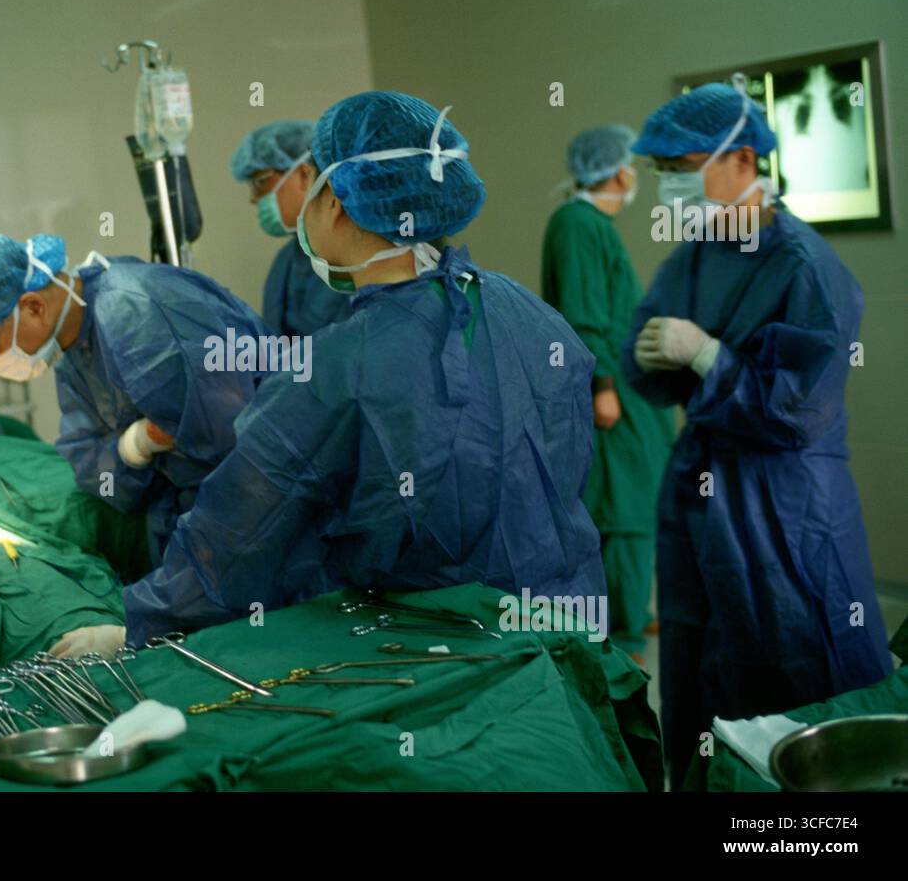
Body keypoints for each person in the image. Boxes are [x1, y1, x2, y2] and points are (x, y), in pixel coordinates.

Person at [58, 91, 606, 654]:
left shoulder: (337, 366)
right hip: (562, 637)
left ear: (337, 201)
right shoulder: (529, 313)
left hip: (438, 660)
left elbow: (241, 537)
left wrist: (143, 623)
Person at [621, 82, 893, 787]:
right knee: (697, 670)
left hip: (785, 506)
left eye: (680, 167)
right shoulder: (694, 255)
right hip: (700, 499)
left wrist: (710, 358)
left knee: (796, 662)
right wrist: (656, 354)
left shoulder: (807, 267)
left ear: (743, 159)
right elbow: (646, 357)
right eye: (660, 173)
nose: (668, 187)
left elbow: (799, 410)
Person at [0, 234, 272, 578]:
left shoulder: (136, 313)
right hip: (190, 523)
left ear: (34, 307)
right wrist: (135, 445)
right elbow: (89, 462)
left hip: (259, 521)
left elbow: (237, 455)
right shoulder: (74, 354)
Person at [540, 125, 675, 658]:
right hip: (612, 389)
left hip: (630, 389)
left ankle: (635, 612)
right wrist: (603, 387)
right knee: (626, 511)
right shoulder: (576, 224)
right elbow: (583, 313)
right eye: (632, 167)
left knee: (639, 500)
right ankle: (620, 631)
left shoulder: (591, 224)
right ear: (617, 170)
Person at [231, 120, 352, 337]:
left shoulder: (354, 253)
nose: (253, 198)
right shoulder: (286, 261)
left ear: (305, 175)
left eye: (260, 182)